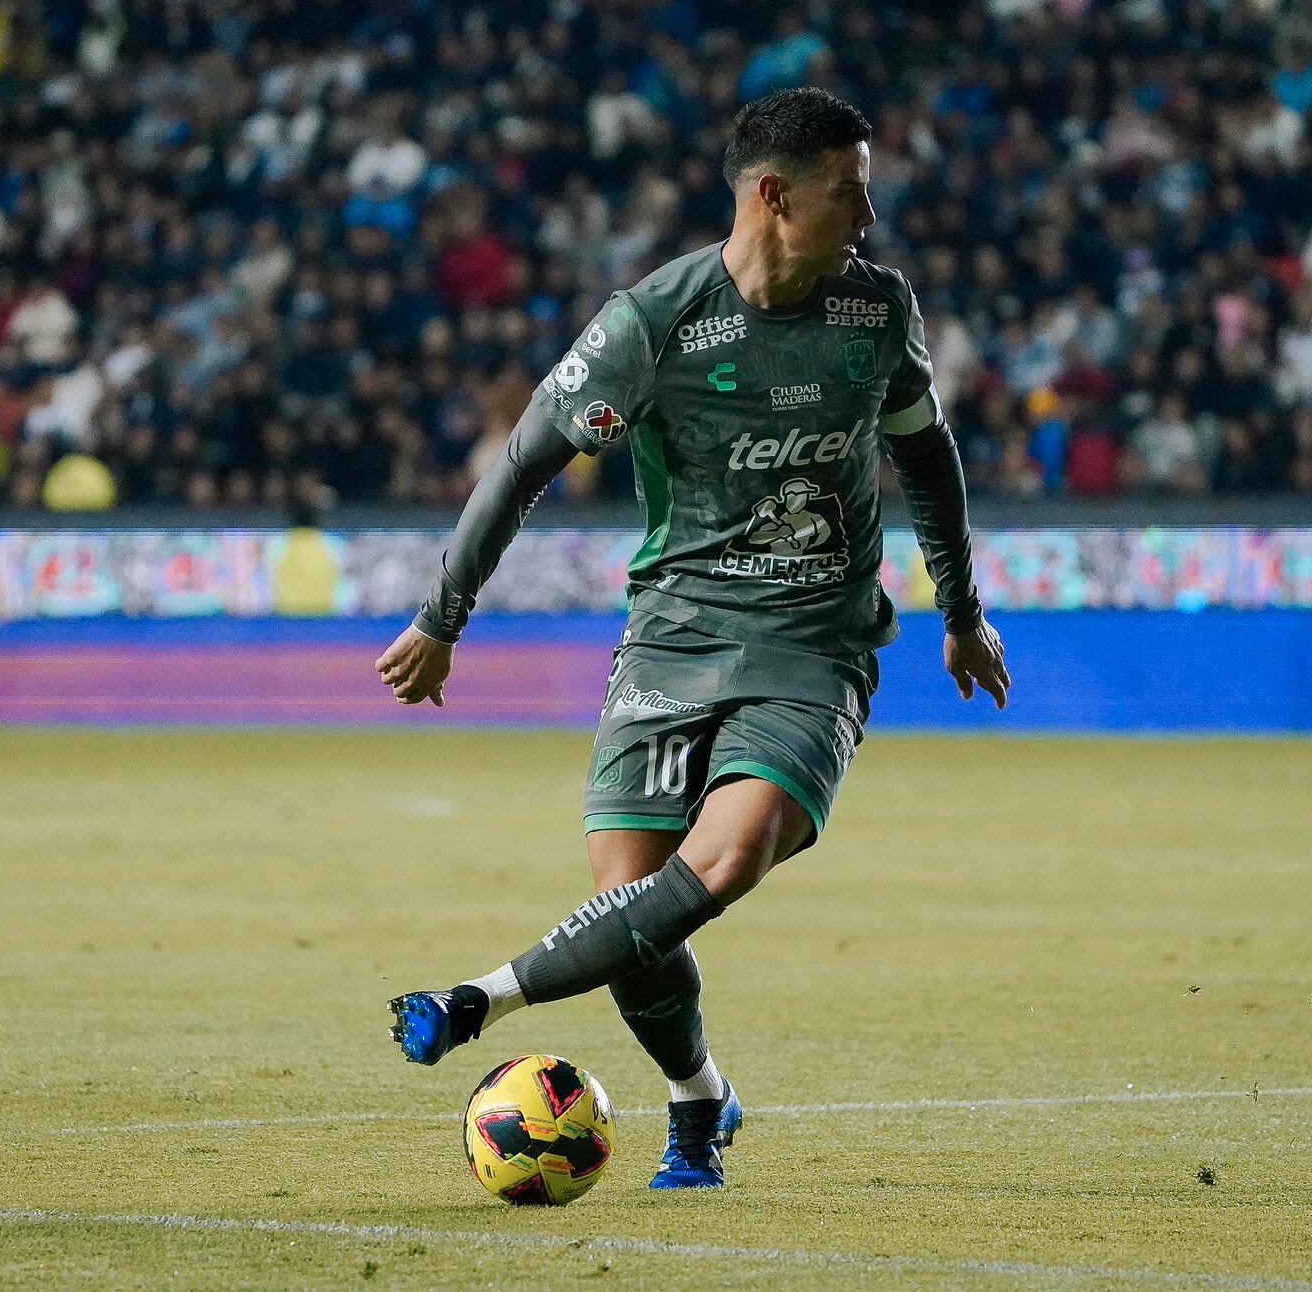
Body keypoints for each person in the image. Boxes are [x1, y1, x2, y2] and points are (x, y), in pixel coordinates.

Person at [375, 89, 1011, 1189]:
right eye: (848, 193)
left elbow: (926, 456)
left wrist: (959, 609)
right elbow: (524, 460)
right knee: (632, 905)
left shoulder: (877, 311)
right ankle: (699, 1097)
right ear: (774, 196)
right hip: (672, 640)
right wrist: (443, 616)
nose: (867, 216)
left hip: (813, 644)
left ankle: (477, 998)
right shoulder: (653, 324)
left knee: (719, 861)